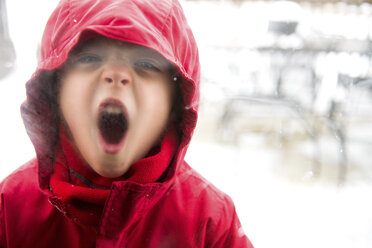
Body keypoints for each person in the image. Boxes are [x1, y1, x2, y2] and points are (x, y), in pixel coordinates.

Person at [0, 0, 253, 247]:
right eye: (89, 59)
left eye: (145, 64)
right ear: (56, 90)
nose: (116, 75)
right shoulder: (11, 207)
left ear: (174, 105)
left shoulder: (209, 221)